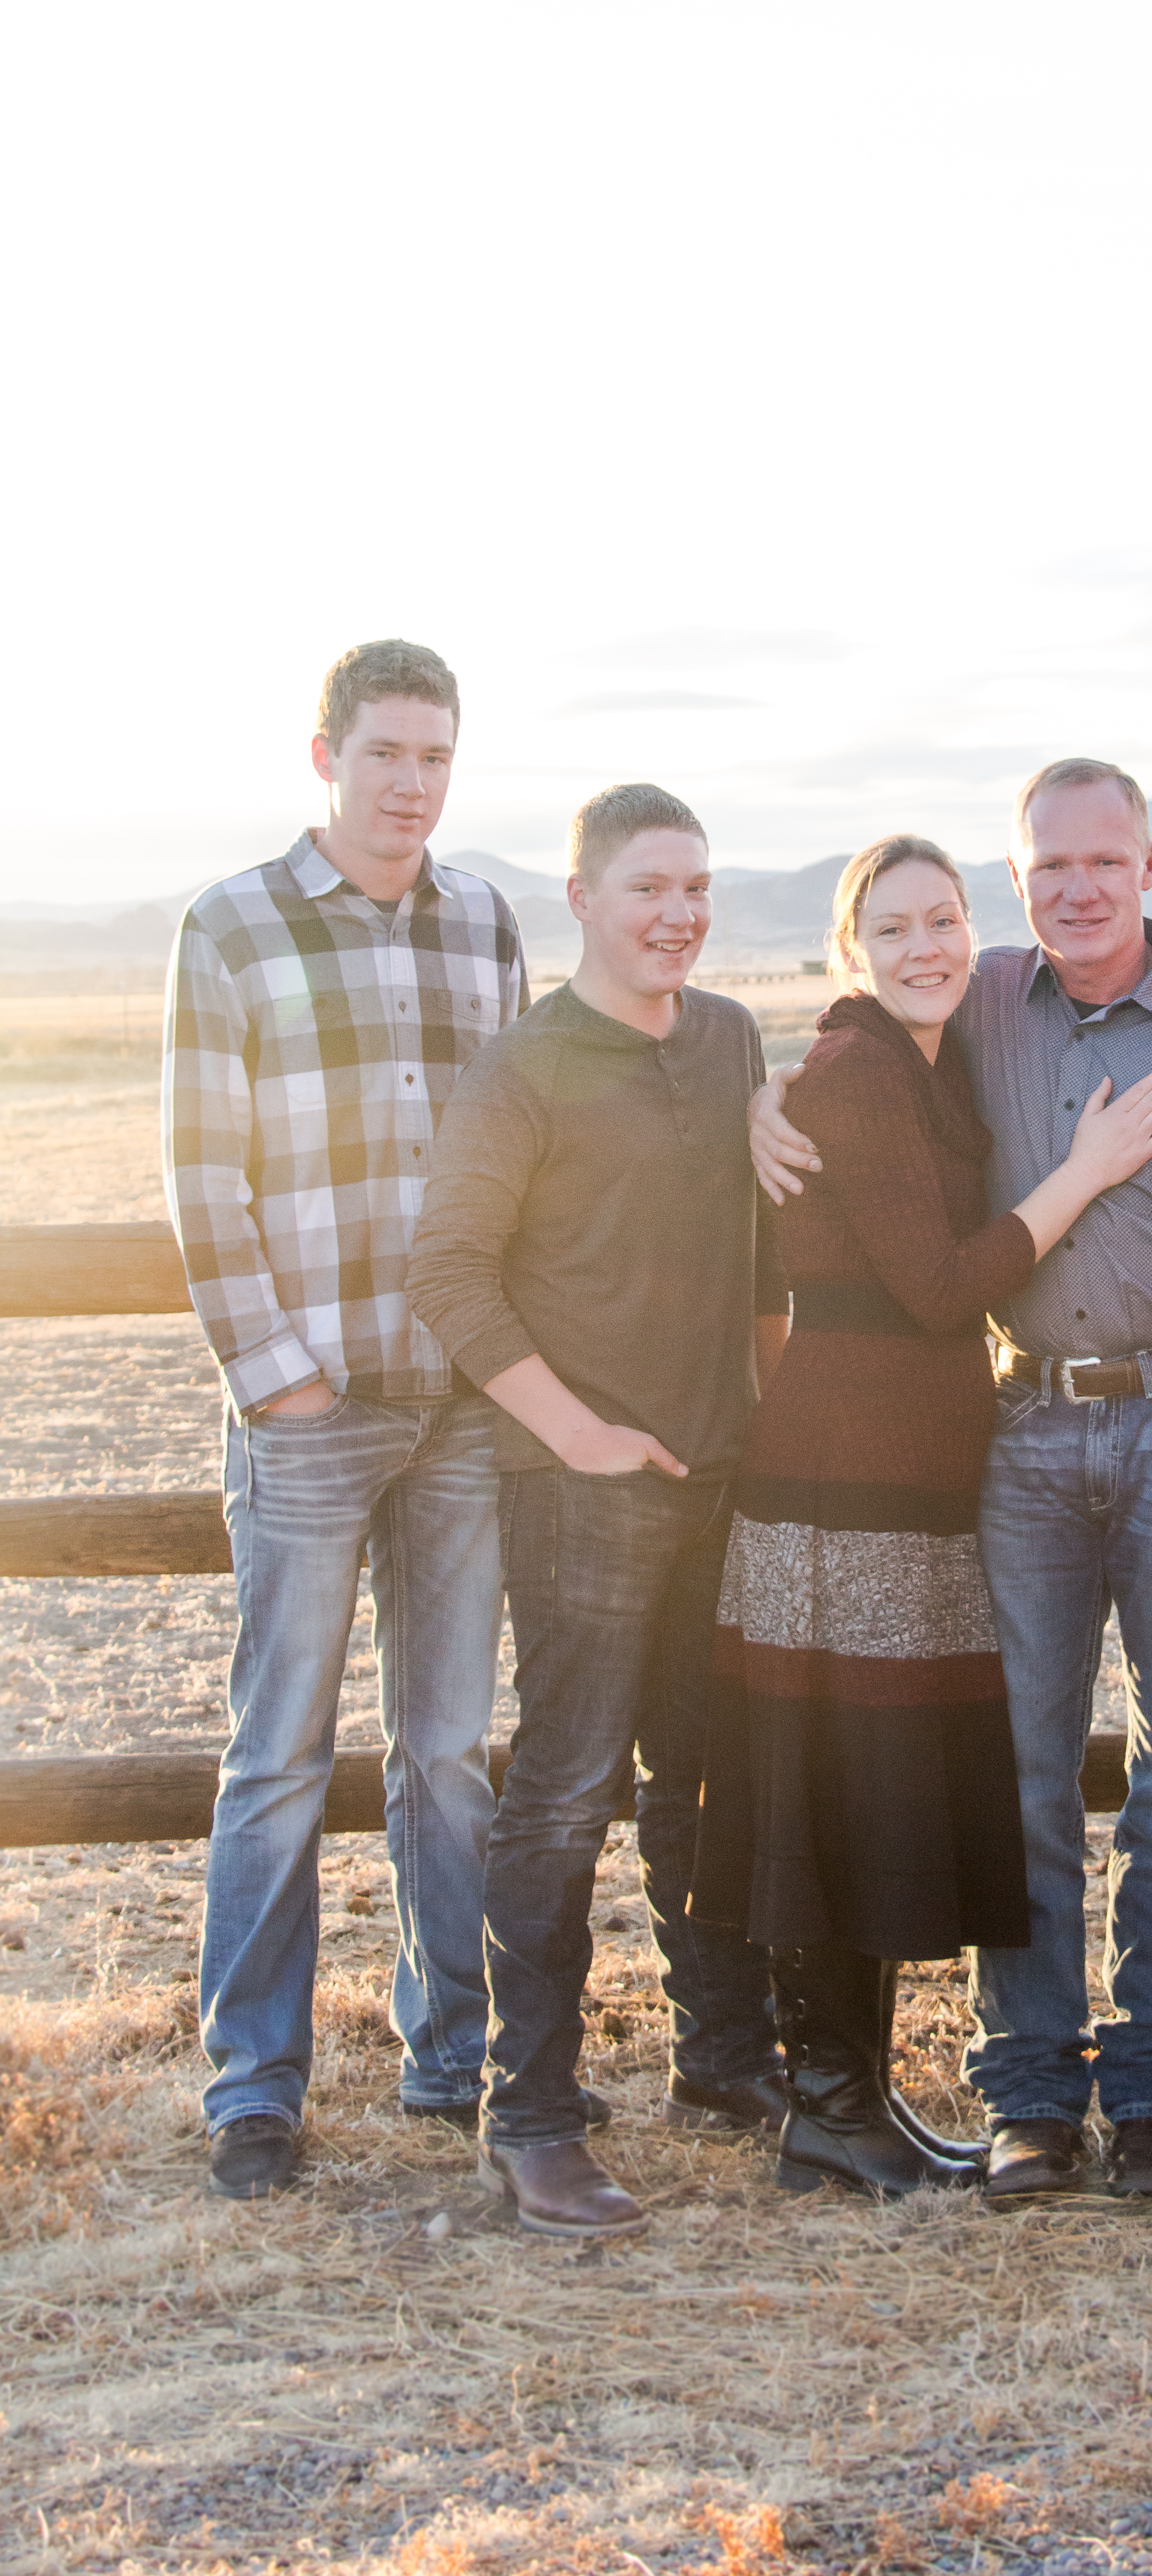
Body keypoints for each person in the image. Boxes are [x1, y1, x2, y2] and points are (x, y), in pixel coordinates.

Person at [751, 761, 1152, 2203]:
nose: (1078, 889)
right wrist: (766, 1095)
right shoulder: (986, 1000)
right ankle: (1029, 2095)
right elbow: (863, 1032)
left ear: (1149, 865)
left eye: (1104, 862)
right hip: (1025, 1430)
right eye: (1049, 867)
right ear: (1018, 883)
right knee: (1020, 1769)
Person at [695, 833, 1152, 2201]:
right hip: (840, 1476)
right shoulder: (859, 1072)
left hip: (901, 1475)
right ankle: (827, 2108)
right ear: (850, 949)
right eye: (893, 928)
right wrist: (1087, 1169)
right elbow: (936, 1288)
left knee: (864, 1783)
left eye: (944, 921)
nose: (925, 948)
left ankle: (856, 2100)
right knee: (830, 1782)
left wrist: (771, 1089)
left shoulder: (919, 1060)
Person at [165, 638, 525, 2199]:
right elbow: (202, 1173)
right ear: (327, 756)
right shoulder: (233, 925)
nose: (412, 783)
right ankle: (255, 2086)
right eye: (386, 753)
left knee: (449, 1751)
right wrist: (278, 1376)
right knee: (280, 1756)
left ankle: (452, 2057)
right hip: (309, 1410)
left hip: (459, 1406)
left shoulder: (485, 922)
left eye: (435, 756)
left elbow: (523, 1155)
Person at [406, 783, 790, 2239]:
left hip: (719, 1476)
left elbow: (759, 1260)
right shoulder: (525, 1068)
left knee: (707, 1777)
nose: (678, 915)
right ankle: (533, 2118)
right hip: (581, 1491)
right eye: (648, 889)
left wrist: (767, 1415)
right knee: (566, 1792)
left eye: (696, 887)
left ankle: (723, 2057)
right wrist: (580, 1436)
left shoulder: (730, 1037)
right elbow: (449, 1271)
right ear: (581, 899)